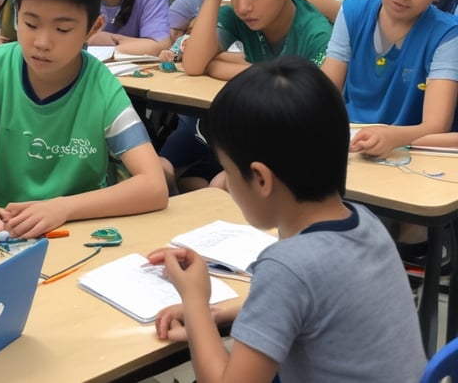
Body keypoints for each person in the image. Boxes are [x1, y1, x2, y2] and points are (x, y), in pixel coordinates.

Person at [147, 56, 425, 383]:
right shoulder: (365, 223)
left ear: (261, 179)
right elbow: (321, 307)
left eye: (228, 172)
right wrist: (219, 315)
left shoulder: (286, 267)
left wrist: (195, 301)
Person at [0, 0, 168, 270]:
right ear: (16, 12)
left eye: (63, 29)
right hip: (7, 237)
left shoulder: (102, 86)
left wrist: (61, 208)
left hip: (79, 236)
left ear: (93, 29)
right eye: (30, 23)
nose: (42, 42)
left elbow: (153, 185)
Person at [159, 0, 332, 195]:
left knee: (219, 184)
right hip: (255, 132)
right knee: (201, 178)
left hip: (300, 145)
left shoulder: (315, 33)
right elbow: (193, 65)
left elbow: (307, 108)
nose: (243, 6)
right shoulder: (240, 16)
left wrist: (238, 69)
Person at [322, 0, 458, 158]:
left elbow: (437, 125)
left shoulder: (446, 36)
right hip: (348, 148)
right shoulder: (352, 12)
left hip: (409, 156)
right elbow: (323, 94)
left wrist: (393, 137)